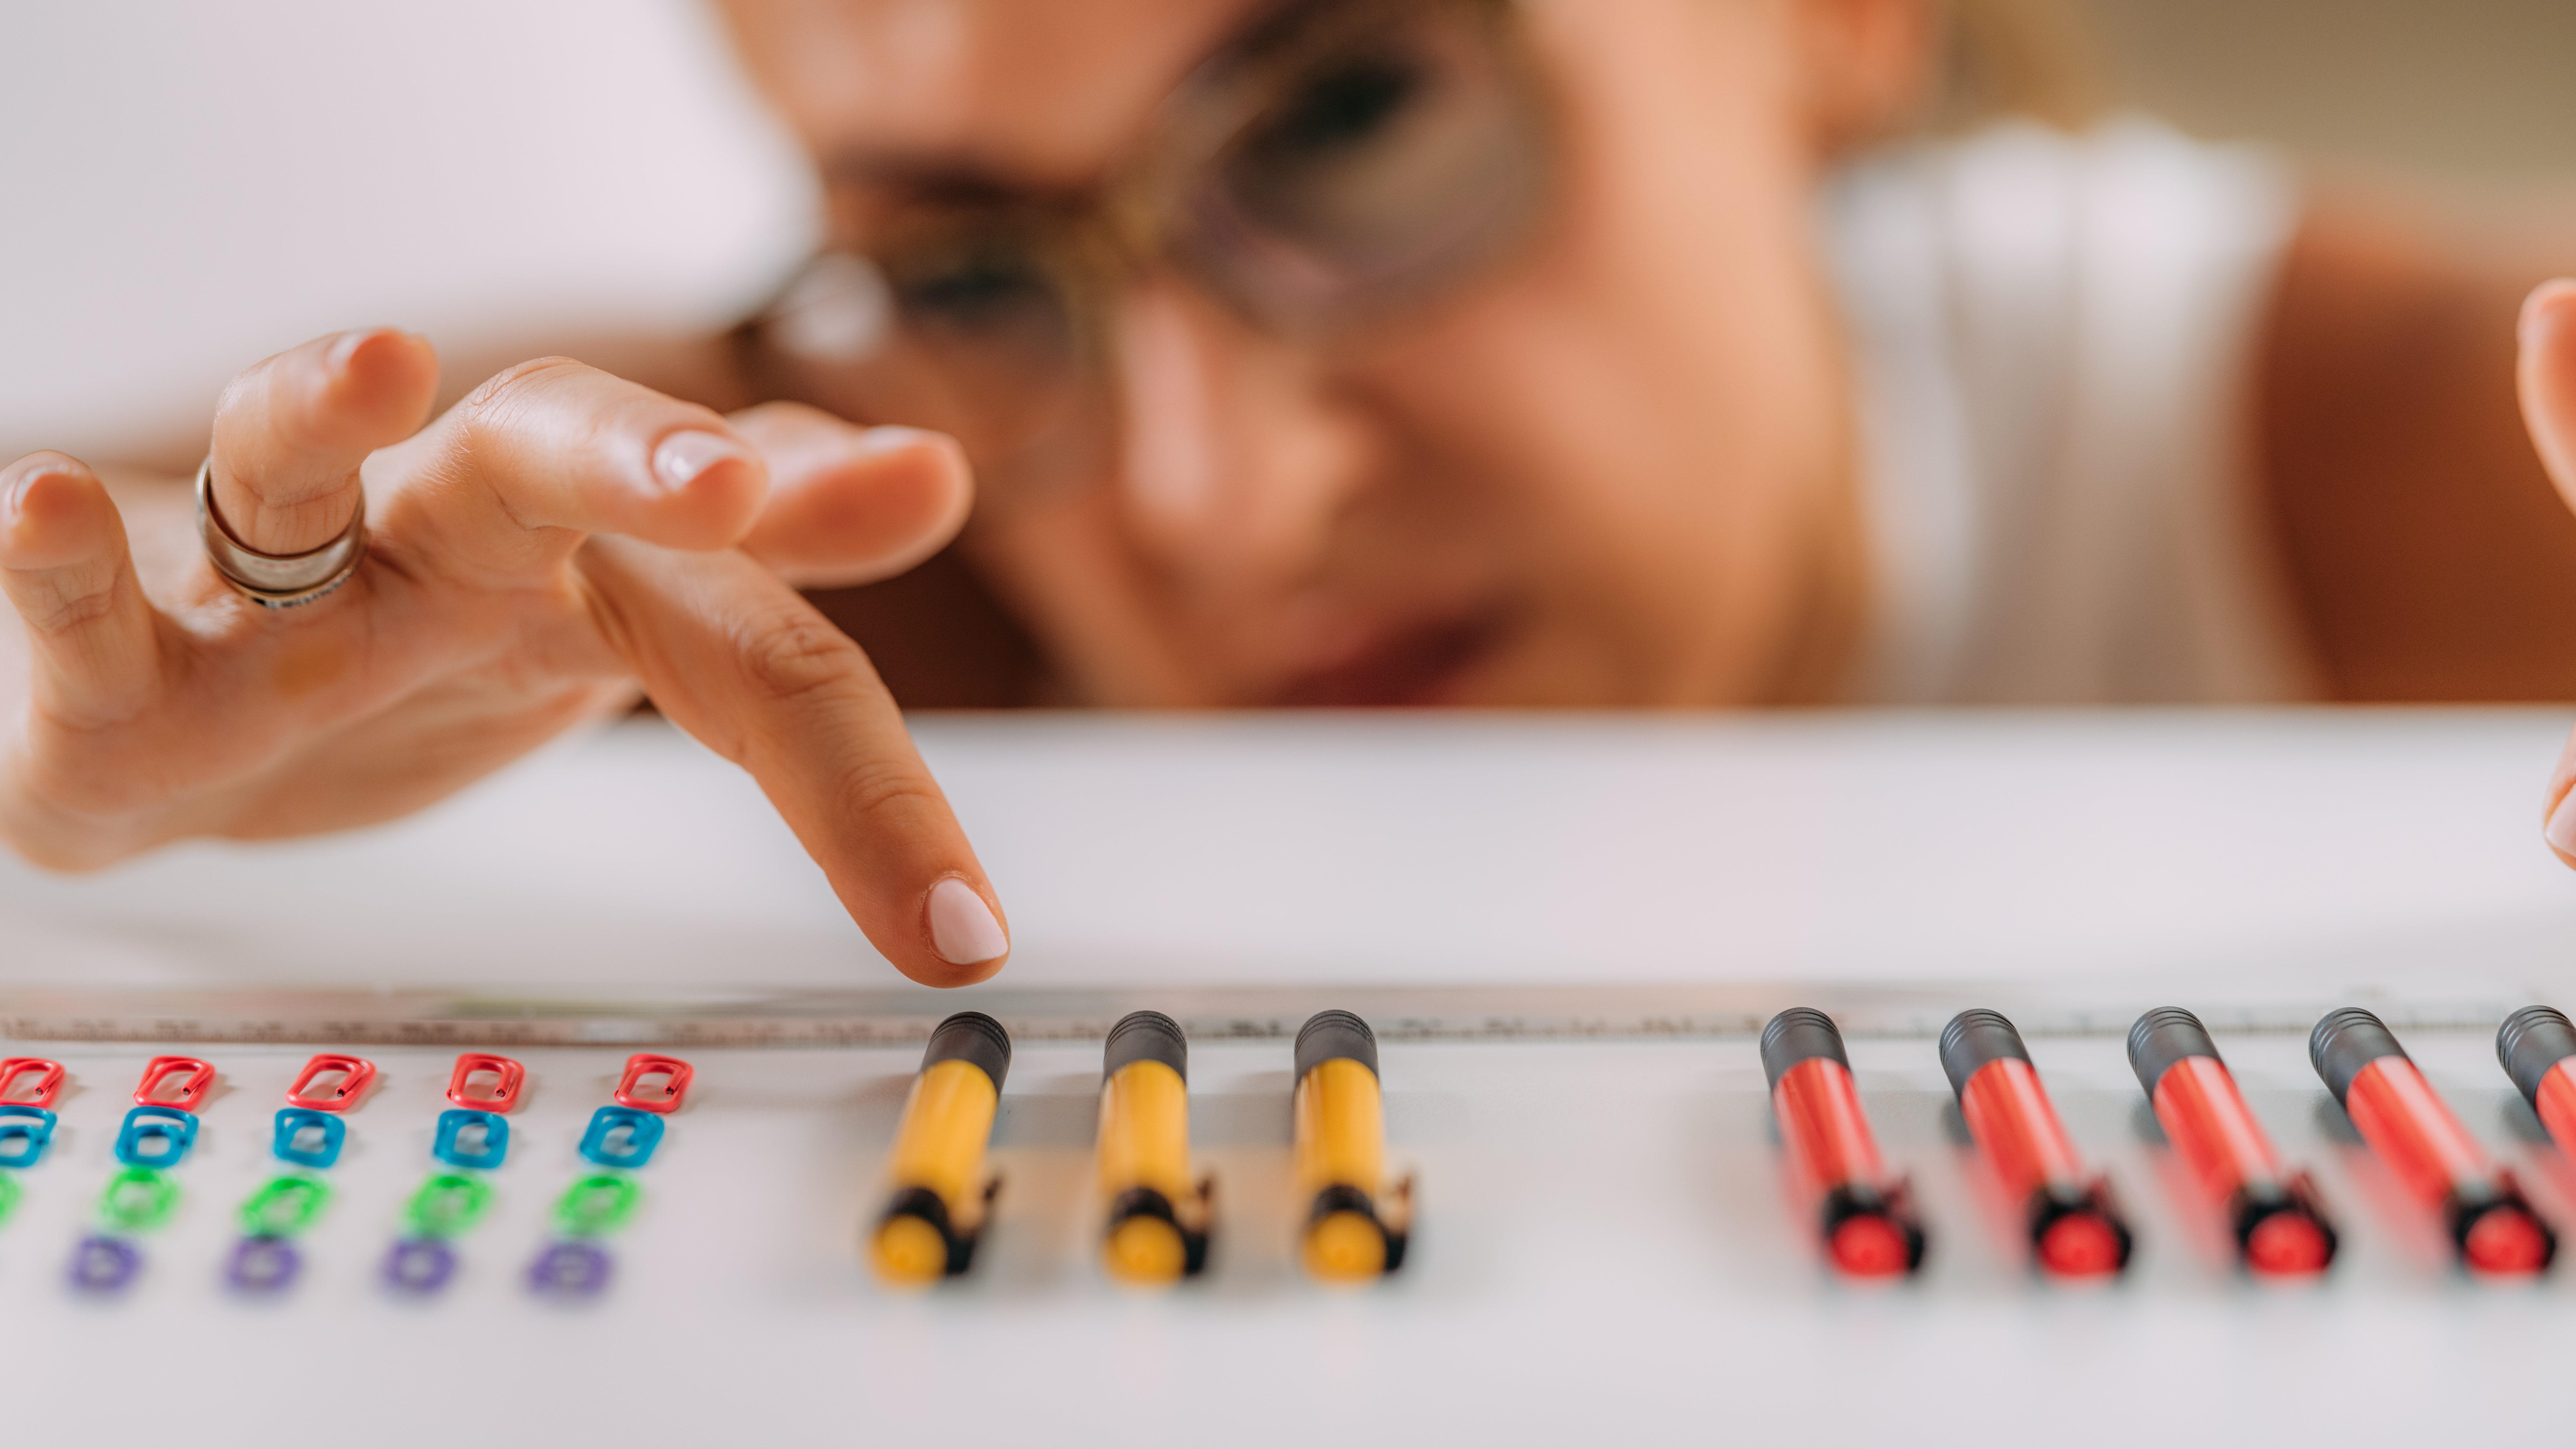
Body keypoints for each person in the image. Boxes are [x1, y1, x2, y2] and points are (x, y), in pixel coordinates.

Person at [6, 0, 2576, 986]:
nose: (1222, 498)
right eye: (967, 264)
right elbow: (130, 579)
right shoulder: (855, 497)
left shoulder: (2389, 446)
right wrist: (65, 732)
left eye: (1353, 119)